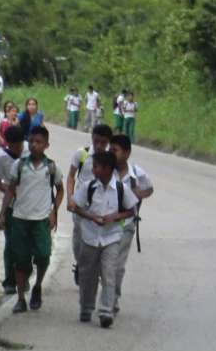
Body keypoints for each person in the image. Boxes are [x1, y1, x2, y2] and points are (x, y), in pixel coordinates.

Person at [0, 126, 64, 314]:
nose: (34, 145)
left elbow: (60, 190)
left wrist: (53, 212)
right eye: (32, 141)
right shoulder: (19, 165)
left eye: (39, 142)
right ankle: (20, 298)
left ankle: (38, 285)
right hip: (19, 218)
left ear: (46, 145)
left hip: (41, 220)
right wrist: (3, 214)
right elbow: (10, 190)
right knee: (21, 259)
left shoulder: (51, 167)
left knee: (43, 256)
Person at [70, 151, 138, 328]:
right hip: (90, 237)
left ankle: (106, 311)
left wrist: (115, 217)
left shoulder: (121, 189)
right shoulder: (88, 187)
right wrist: (91, 216)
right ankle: (86, 307)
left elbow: (132, 210)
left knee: (109, 273)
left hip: (111, 238)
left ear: (107, 169)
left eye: (96, 167)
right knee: (87, 275)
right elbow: (75, 207)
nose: (93, 170)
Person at [109, 134, 154, 315]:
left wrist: (138, 194)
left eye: (116, 150)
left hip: (126, 224)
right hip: (105, 225)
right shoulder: (105, 169)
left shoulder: (136, 173)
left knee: (117, 265)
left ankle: (112, 299)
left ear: (127, 153)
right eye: (110, 150)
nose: (112, 153)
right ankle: (107, 295)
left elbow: (150, 188)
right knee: (106, 264)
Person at [66, 124, 114, 285]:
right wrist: (70, 198)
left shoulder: (110, 160)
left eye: (103, 143)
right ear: (92, 137)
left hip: (100, 207)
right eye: (97, 141)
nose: (100, 146)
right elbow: (71, 176)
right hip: (80, 206)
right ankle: (80, 264)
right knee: (79, 240)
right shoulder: (82, 154)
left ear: (108, 142)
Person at [0, 125, 27, 295]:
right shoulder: (1, 158)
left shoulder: (29, 152)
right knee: (11, 244)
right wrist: (11, 190)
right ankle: (10, 280)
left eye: (19, 145)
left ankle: (23, 276)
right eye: (13, 146)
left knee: (27, 244)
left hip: (30, 205)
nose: (17, 149)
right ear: (7, 144)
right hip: (11, 205)